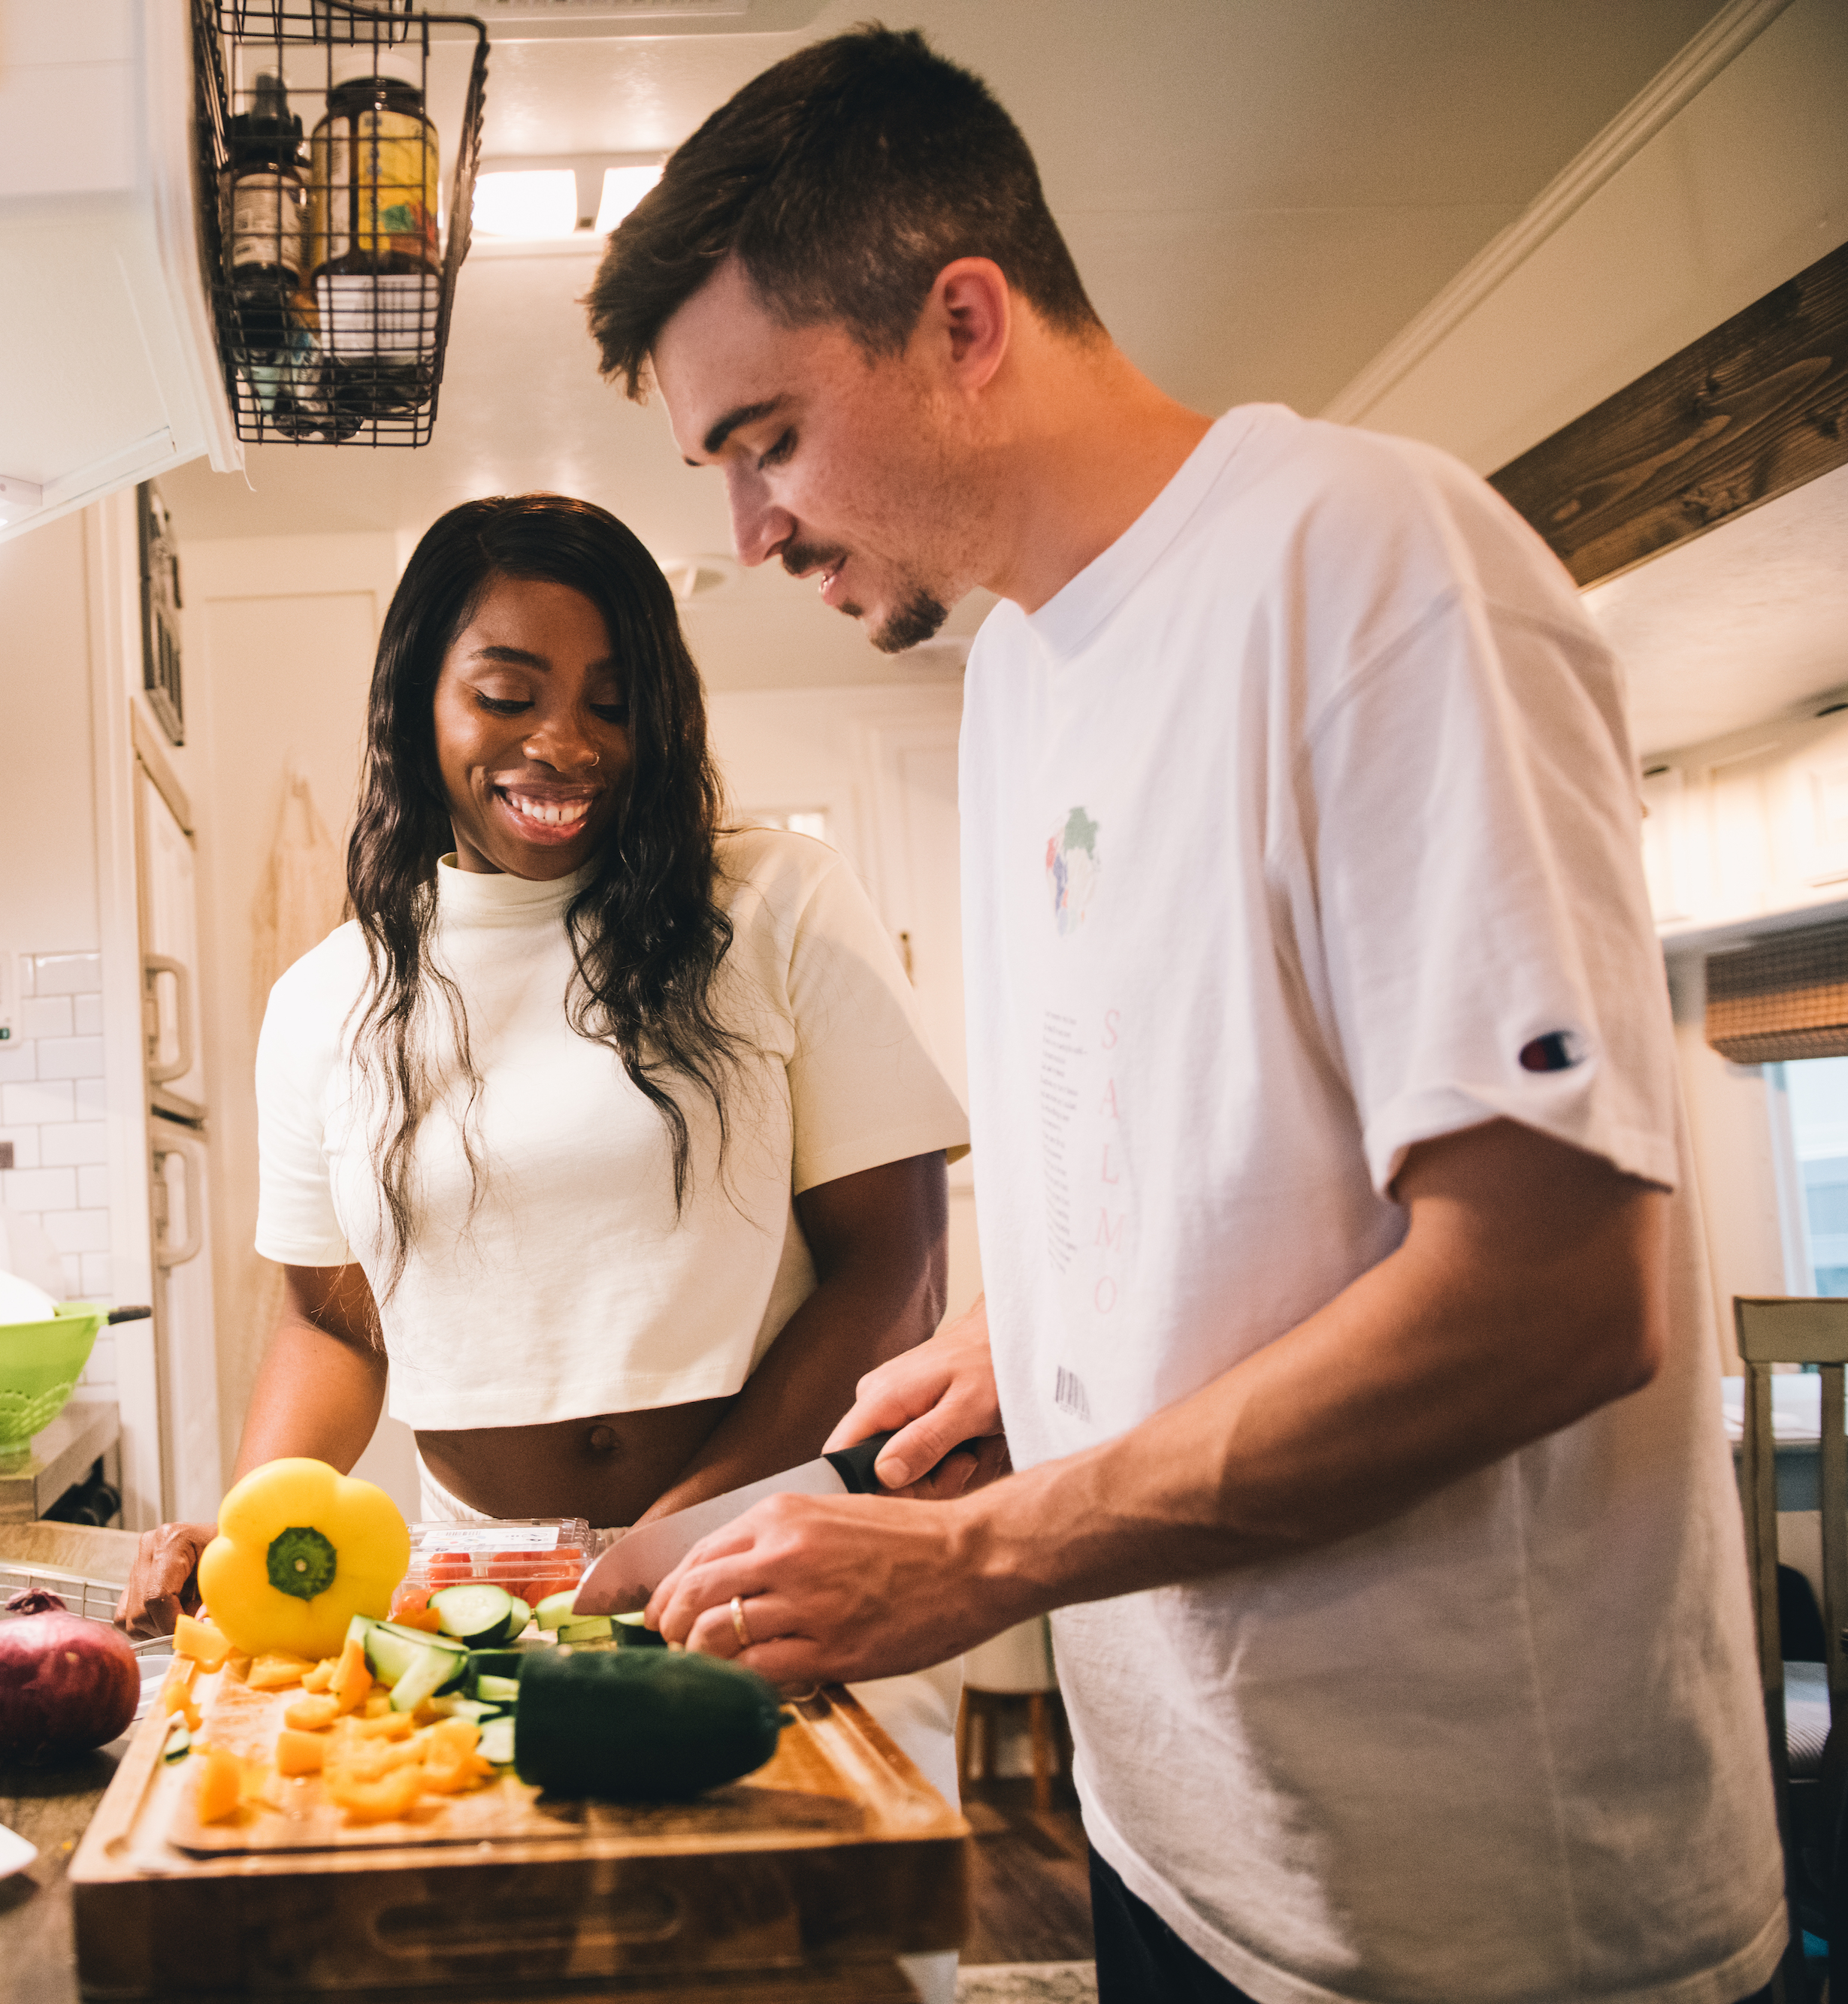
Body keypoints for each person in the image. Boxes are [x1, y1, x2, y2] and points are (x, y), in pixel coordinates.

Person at [582, 26, 1782, 2004]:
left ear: (966, 320)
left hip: (1474, 1915)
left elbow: (1555, 1292)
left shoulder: (1375, 567)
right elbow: (1203, 1173)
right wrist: (995, 1358)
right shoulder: (1021, 681)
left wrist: (976, 1562)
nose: (752, 534)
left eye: (766, 439)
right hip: (1181, 1838)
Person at [116, 491, 966, 1616]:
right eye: (506, 695)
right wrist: (250, 1543)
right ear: (418, 702)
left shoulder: (775, 900)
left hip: (766, 1542)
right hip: (484, 1582)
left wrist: (680, 1536)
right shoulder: (327, 998)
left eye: (612, 705)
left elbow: (894, 1269)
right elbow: (332, 1326)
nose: (565, 745)